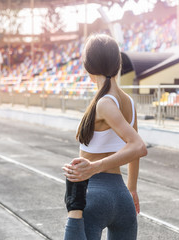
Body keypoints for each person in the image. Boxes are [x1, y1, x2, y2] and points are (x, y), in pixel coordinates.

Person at [62, 34, 147, 240]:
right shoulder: (128, 102)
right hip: (122, 198)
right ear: (118, 65)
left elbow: (138, 146)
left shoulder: (104, 103)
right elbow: (132, 151)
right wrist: (132, 189)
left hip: (95, 195)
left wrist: (94, 167)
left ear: (87, 67)